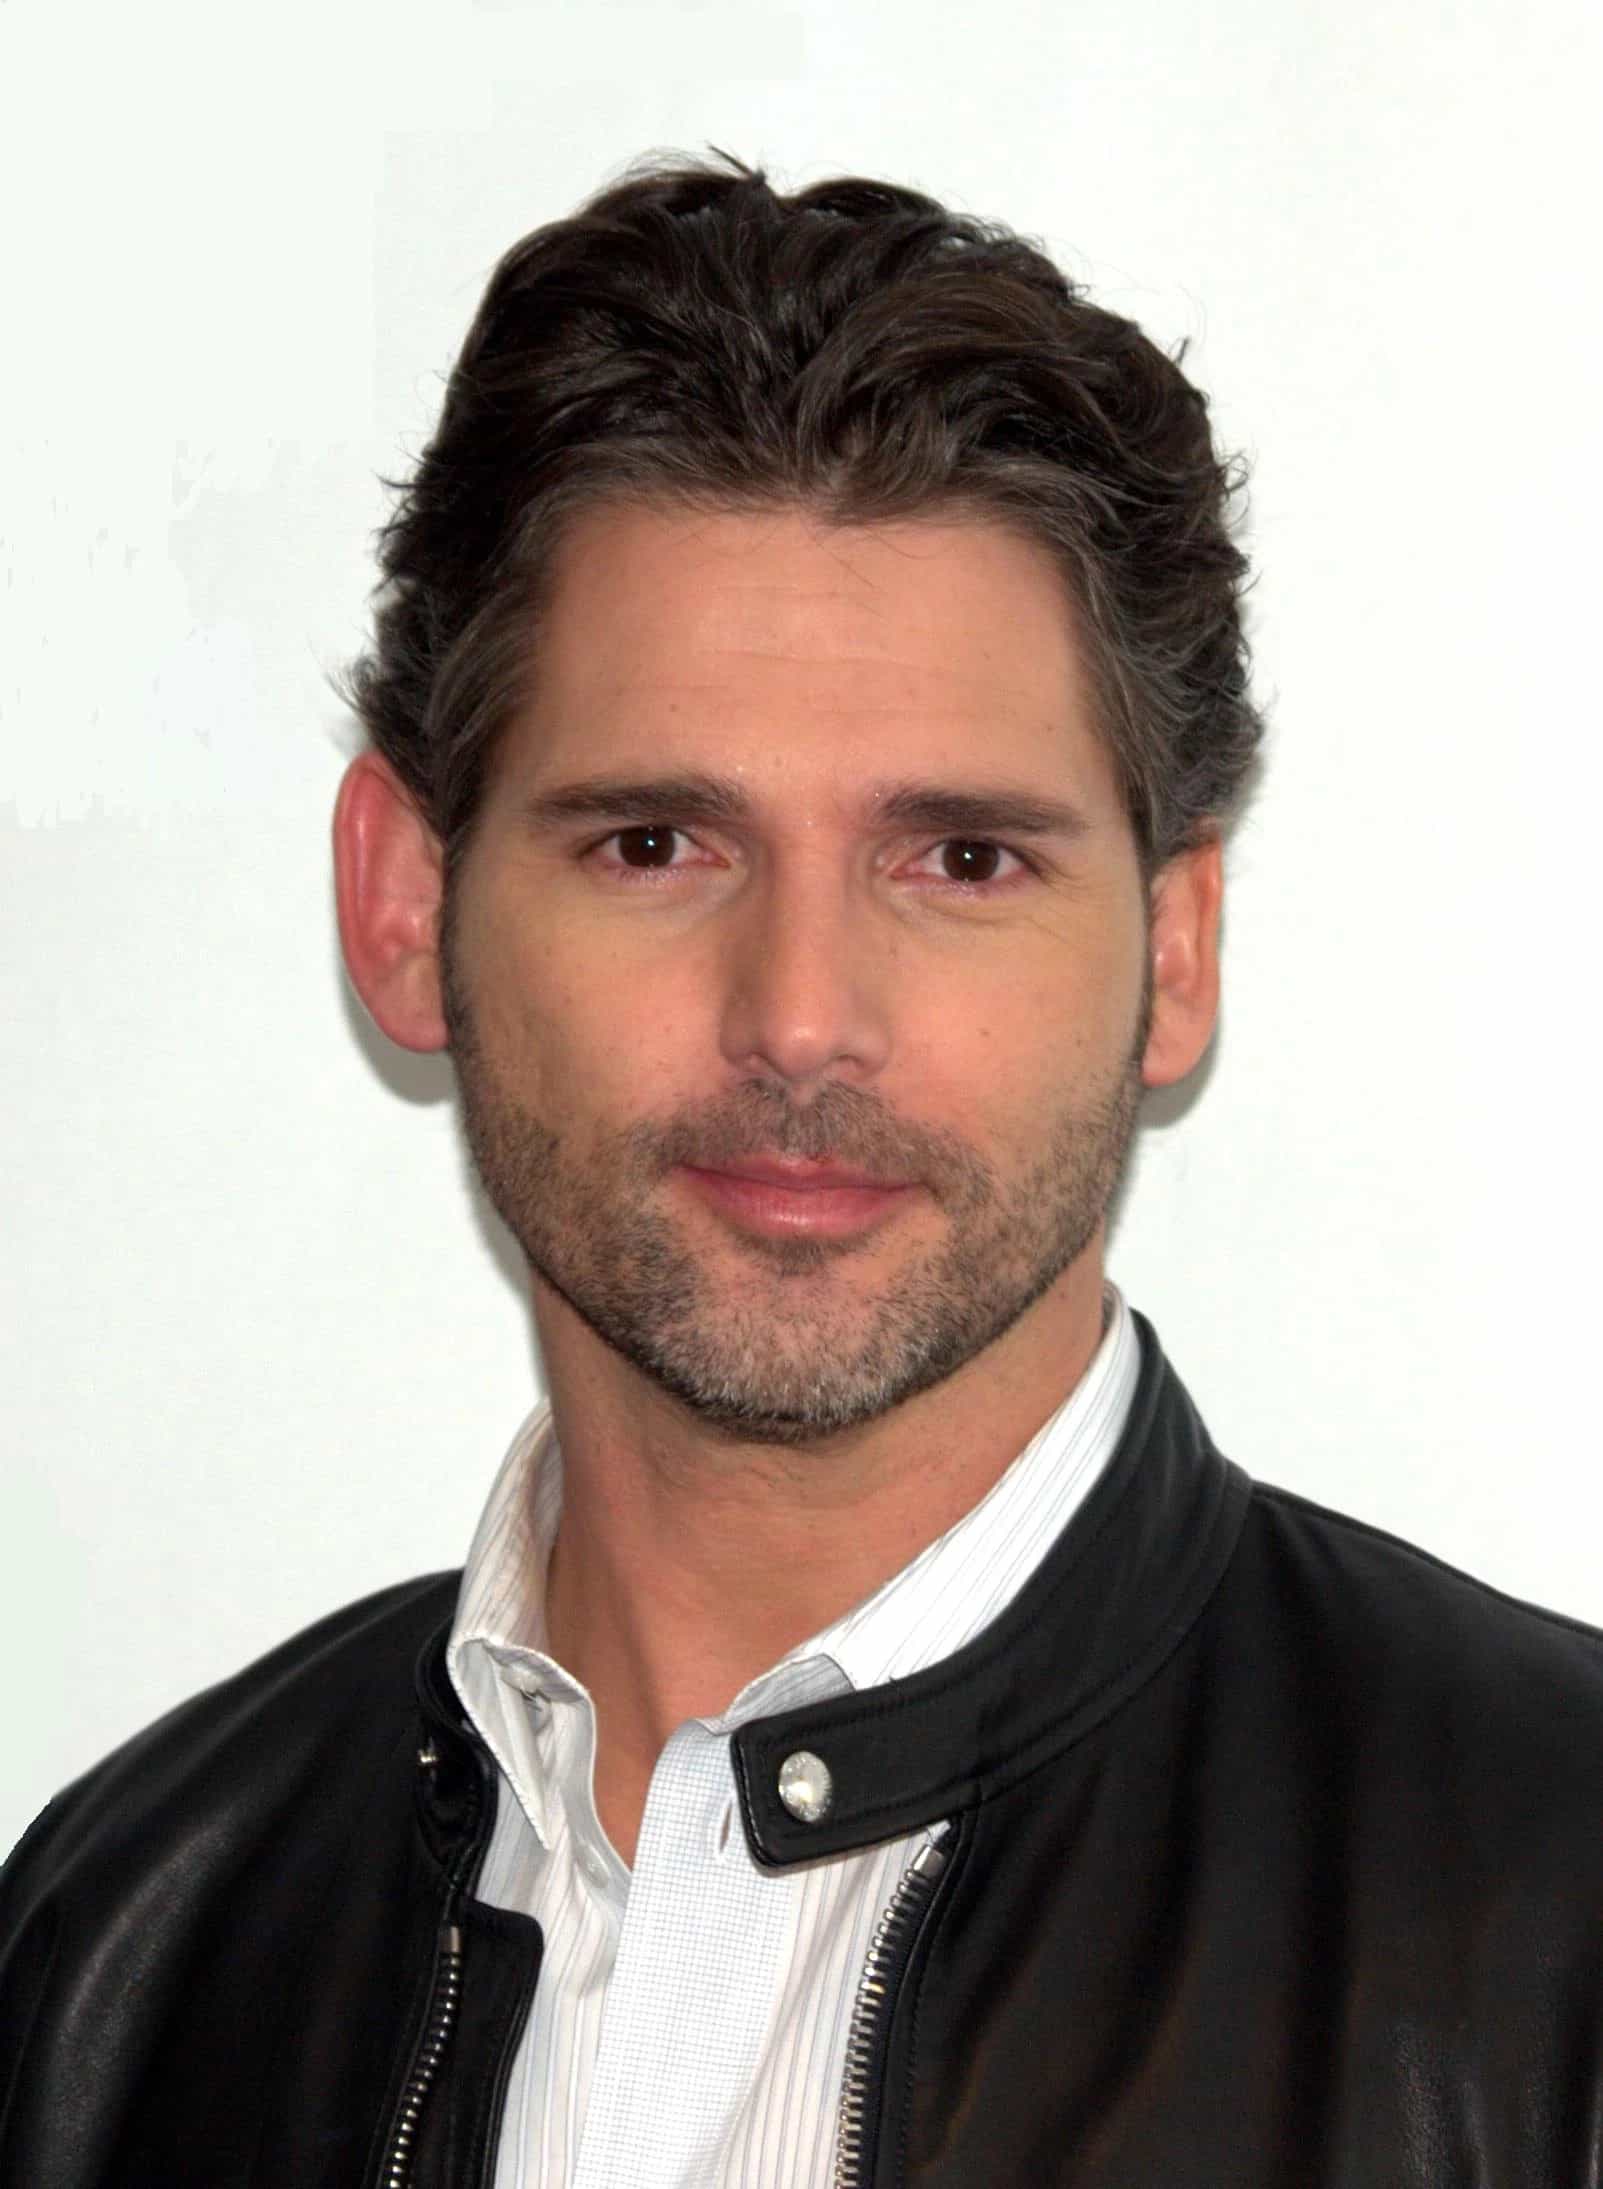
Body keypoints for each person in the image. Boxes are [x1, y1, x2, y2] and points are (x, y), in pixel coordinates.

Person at [2, 153, 1600, 2189]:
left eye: (962, 858)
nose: (801, 1018)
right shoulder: (119, 1962)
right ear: (404, 906)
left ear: (1175, 952)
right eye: (655, 844)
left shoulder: (1560, 1920)